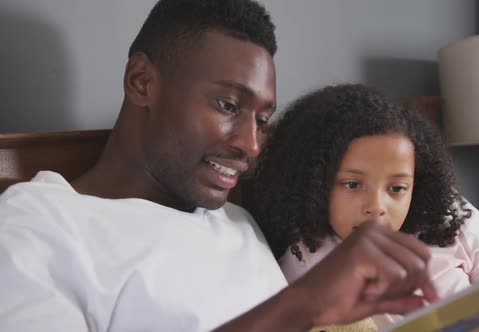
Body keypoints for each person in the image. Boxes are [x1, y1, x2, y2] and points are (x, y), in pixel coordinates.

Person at [0, 1, 438, 331]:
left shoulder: (238, 220)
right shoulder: (36, 226)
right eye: (228, 105)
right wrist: (301, 305)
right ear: (141, 81)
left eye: (262, 121)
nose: (250, 145)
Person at [253, 84, 479, 331]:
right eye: (353, 185)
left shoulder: (447, 215)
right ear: (312, 182)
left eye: (397, 188)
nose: (376, 208)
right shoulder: (305, 269)